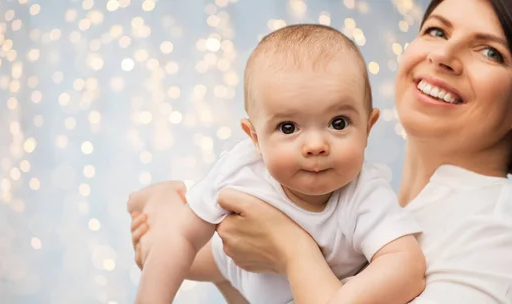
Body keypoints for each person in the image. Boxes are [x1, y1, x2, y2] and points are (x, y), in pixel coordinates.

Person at [129, 0, 512, 303]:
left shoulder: (499, 233)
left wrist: (289, 248)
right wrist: (203, 250)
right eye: (436, 30)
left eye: (490, 52)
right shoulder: (377, 202)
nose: (444, 55)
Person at [131, 24, 426, 304]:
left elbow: (406, 265)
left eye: (338, 123)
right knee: (157, 248)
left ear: (368, 129)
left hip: (283, 291)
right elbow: (181, 237)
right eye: (288, 127)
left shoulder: (365, 195)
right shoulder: (242, 170)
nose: (315, 146)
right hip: (230, 257)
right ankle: (160, 199)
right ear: (255, 139)